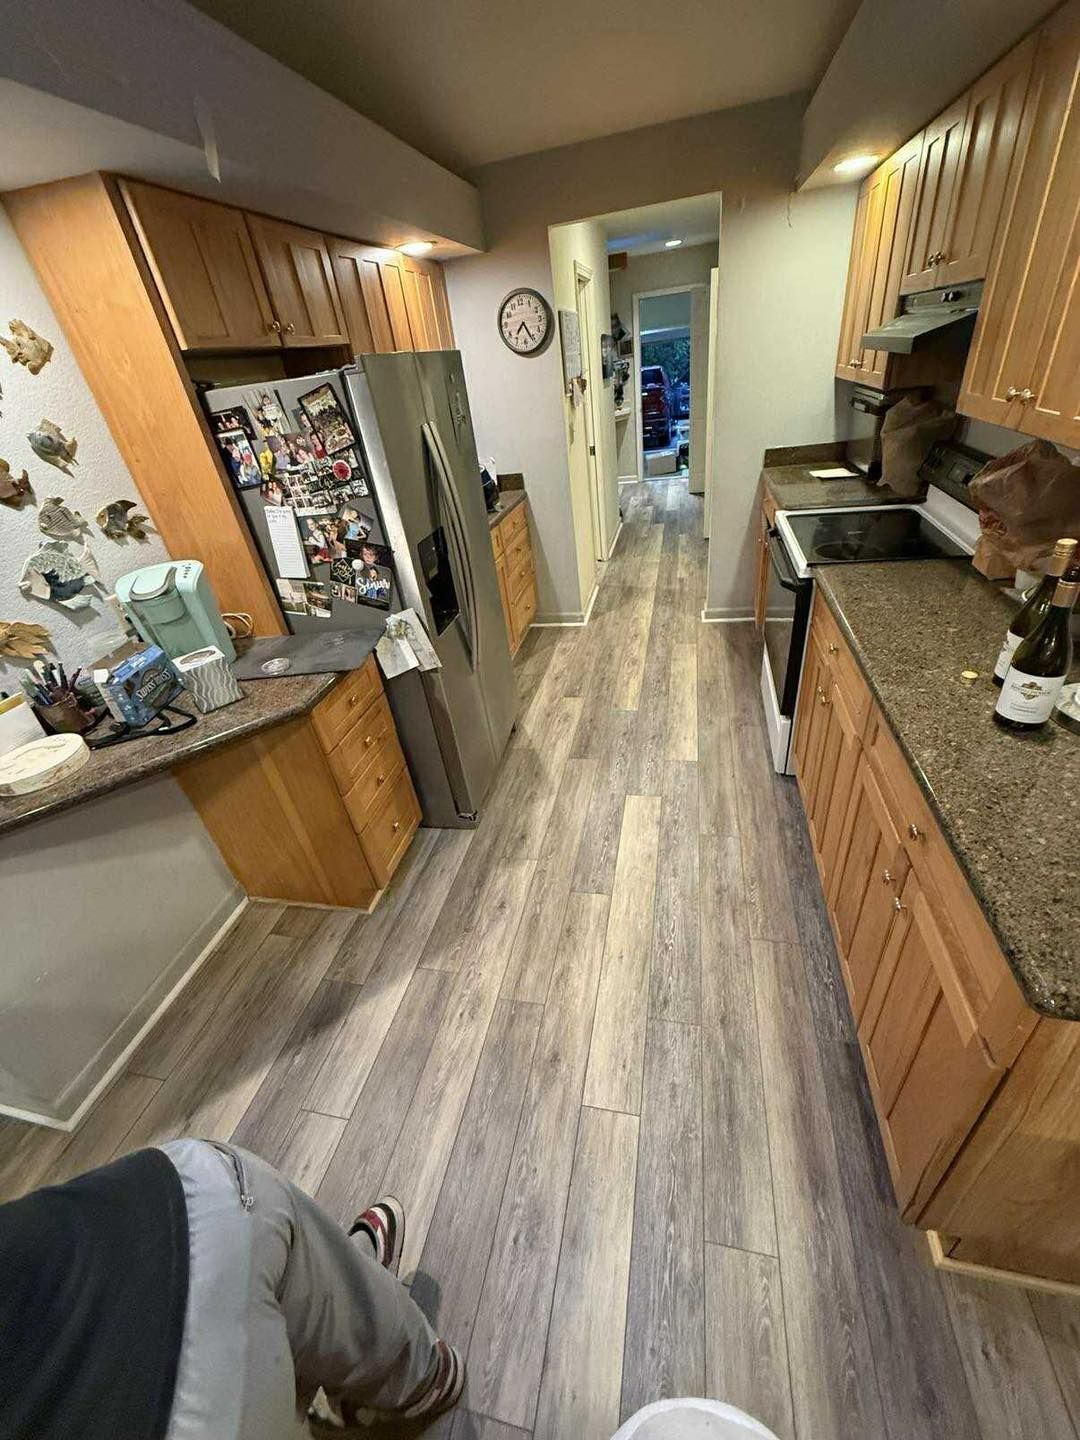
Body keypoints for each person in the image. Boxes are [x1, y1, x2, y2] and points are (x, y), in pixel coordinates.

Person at [0, 1139, 464, 1439]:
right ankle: (419, 1374)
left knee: (272, 1310)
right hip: (194, 1206)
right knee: (268, 1244)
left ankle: (306, 1351)